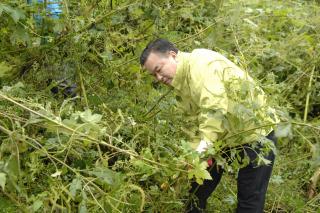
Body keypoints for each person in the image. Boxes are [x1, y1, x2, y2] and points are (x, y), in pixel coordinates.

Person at [140, 38, 278, 213]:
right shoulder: (181, 84)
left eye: (158, 69)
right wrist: (191, 159)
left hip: (255, 133)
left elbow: (214, 108)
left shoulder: (202, 64)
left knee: (249, 201)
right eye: (154, 75)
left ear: (172, 55)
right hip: (222, 138)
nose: (159, 77)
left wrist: (203, 148)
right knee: (195, 192)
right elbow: (194, 125)